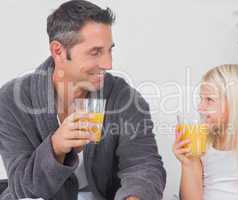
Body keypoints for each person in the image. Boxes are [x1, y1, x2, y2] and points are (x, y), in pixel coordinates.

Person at [0, 0, 166, 199]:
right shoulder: (11, 100)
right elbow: (23, 189)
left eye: (109, 50)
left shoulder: (124, 98)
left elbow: (143, 165)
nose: (108, 63)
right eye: (95, 52)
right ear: (58, 51)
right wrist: (56, 147)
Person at [173, 64, 238, 200]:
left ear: (236, 104)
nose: (200, 107)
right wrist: (188, 163)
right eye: (201, 99)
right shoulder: (202, 141)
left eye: (209, 100)